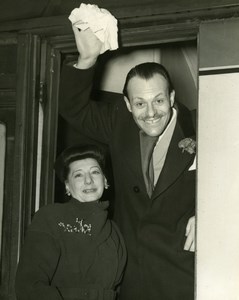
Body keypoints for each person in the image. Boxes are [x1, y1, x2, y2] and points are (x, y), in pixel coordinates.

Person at [59, 27, 196, 300]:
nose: (151, 113)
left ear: (171, 98)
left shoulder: (202, 125)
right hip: (131, 276)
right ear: (128, 104)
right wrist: (86, 59)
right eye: (140, 104)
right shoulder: (116, 123)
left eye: (158, 100)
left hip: (182, 275)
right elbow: (71, 107)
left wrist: (209, 214)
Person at [15, 144, 127, 300]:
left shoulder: (115, 231)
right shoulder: (51, 217)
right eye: (78, 175)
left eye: (95, 172)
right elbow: (29, 286)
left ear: (105, 180)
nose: (88, 181)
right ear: (67, 186)